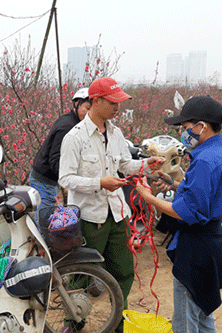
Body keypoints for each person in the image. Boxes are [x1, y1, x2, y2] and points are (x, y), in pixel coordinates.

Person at [58, 77, 164, 332]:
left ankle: (118, 321)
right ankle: (72, 322)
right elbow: (65, 178)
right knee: (83, 274)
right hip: (89, 218)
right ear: (96, 101)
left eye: (120, 102)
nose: (118, 108)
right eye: (113, 102)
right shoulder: (75, 137)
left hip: (117, 215)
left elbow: (125, 165)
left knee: (124, 271)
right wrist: (99, 183)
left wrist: (147, 164)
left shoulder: (115, 133)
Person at [135, 96, 222, 333]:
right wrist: (180, 185)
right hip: (213, 243)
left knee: (185, 321)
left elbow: (184, 212)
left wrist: (147, 195)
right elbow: (210, 196)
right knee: (203, 314)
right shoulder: (220, 154)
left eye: (186, 128)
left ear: (202, 126)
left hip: (196, 250)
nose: (183, 133)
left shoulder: (204, 160)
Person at [29, 88, 92, 226]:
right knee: (45, 223)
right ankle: (41, 247)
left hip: (48, 179)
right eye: (87, 108)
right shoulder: (67, 126)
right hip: (43, 179)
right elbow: (55, 158)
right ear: (76, 104)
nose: (89, 113)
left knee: (47, 218)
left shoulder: (72, 121)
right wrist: (67, 180)